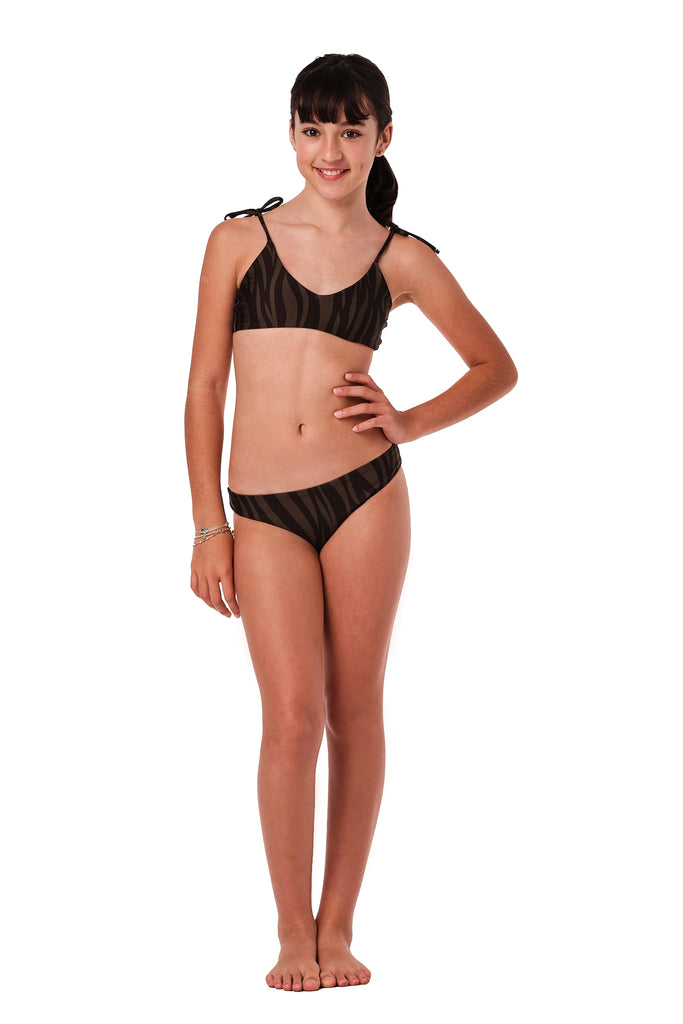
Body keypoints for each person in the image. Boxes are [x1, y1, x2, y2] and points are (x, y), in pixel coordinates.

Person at [184, 53, 517, 993]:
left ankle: (339, 926)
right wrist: (208, 526)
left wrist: (406, 421)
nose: (329, 149)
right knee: (291, 719)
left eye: (349, 129)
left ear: (383, 136)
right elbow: (204, 386)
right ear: (291, 134)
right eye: (312, 128)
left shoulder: (401, 257)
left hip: (364, 494)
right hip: (264, 511)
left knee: (354, 707)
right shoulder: (236, 240)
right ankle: (291, 931)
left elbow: (496, 368)